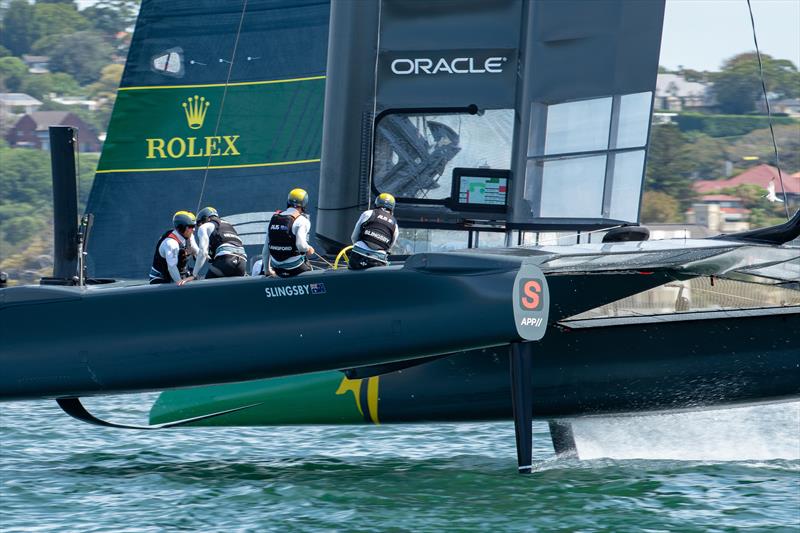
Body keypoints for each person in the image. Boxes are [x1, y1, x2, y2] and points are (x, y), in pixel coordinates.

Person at [263, 188, 315, 277]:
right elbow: (301, 246)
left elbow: (265, 249)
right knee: (310, 270)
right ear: (304, 204)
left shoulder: (274, 219)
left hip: (277, 268)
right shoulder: (302, 220)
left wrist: (267, 270)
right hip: (295, 267)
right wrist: (309, 249)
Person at [193, 206, 247, 279]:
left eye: (198, 224)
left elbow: (203, 252)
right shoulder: (228, 225)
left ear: (205, 219)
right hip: (242, 263)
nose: (199, 227)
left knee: (206, 288)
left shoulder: (204, 227)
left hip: (225, 261)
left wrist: (193, 274)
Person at [349, 193, 398, 270]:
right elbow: (390, 246)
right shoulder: (395, 224)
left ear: (376, 204)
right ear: (392, 209)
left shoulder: (368, 213)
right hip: (378, 259)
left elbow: (354, 237)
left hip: (359, 254)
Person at [149, 211, 199, 285]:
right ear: (181, 227)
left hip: (181, 272)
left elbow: (198, 253)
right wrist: (181, 284)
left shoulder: (190, 236)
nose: (194, 229)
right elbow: (172, 267)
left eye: (194, 226)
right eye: (191, 226)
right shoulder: (171, 243)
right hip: (162, 278)